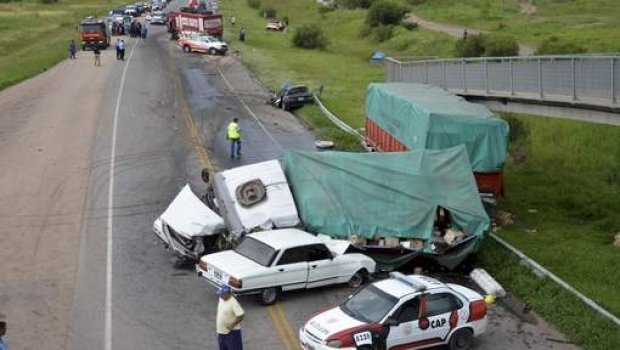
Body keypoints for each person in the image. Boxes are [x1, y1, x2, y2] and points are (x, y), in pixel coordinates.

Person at [216, 284, 244, 350]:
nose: (220, 296)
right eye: (220, 294)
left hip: (231, 333)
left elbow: (241, 315)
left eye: (222, 294)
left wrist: (232, 325)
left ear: (227, 294)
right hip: (221, 332)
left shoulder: (233, 303)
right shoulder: (221, 299)